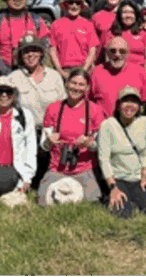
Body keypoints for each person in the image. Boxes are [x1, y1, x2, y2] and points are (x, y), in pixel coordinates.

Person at [41, 69, 108, 205]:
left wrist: (90, 144)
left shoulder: (95, 111)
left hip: (83, 169)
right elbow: (43, 145)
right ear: (66, 83)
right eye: (73, 83)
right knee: (43, 201)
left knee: (92, 202)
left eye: (81, 85)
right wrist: (49, 142)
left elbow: (100, 146)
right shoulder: (53, 109)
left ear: (87, 88)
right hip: (57, 167)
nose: (76, 88)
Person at [98, 89, 146, 218]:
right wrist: (113, 187)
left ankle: (136, 199)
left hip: (136, 178)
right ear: (118, 105)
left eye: (134, 102)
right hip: (117, 177)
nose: (130, 105)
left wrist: (144, 178)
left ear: (140, 106)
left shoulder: (145, 122)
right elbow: (104, 159)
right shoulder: (107, 125)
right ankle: (112, 196)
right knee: (123, 213)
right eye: (126, 101)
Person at [0, 44, 67, 119]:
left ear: (41, 53)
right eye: (26, 52)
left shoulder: (54, 76)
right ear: (21, 56)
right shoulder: (13, 78)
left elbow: (64, 105)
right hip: (25, 128)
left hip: (51, 127)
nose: (30, 54)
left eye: (34, 50)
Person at [90, 36, 146, 107]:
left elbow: (145, 100)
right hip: (102, 118)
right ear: (107, 52)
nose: (117, 54)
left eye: (122, 51)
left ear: (128, 53)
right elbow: (89, 101)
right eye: (113, 51)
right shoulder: (95, 72)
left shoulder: (139, 72)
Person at [47, 0, 100, 72]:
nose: (74, 6)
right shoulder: (56, 24)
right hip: (63, 69)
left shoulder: (88, 25)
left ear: (81, 6)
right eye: (71, 2)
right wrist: (60, 71)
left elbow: (92, 51)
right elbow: (53, 51)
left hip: (83, 68)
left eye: (77, 3)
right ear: (65, 5)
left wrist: (84, 71)